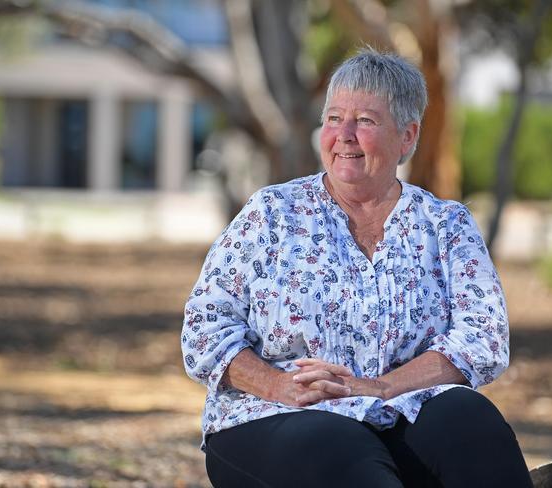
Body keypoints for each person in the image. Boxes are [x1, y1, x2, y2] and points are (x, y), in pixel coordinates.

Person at [181, 49, 532, 488]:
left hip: (400, 408)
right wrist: (280, 386)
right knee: (350, 460)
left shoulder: (445, 224)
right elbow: (204, 329)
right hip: (278, 414)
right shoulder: (272, 213)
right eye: (333, 118)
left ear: (407, 137)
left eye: (365, 121)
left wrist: (383, 387)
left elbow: (483, 338)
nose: (343, 135)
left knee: (472, 422)